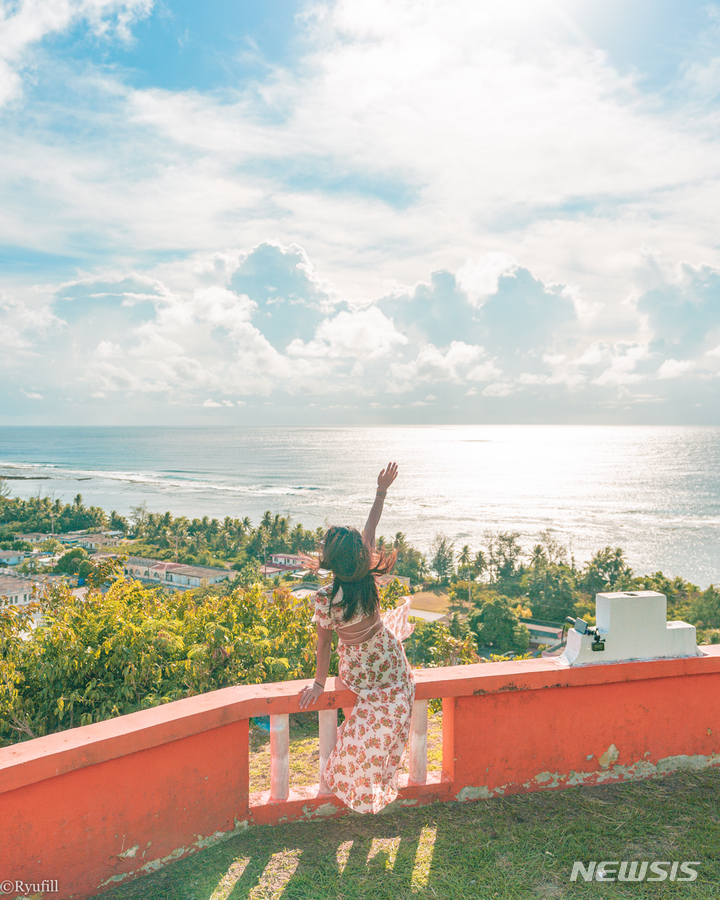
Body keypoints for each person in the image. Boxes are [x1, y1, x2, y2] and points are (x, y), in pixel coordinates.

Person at [298, 461, 416, 814]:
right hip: (388, 656)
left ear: (332, 561)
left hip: (360, 667)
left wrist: (319, 684)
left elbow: (323, 645)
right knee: (391, 703)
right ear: (359, 556)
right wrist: (381, 490)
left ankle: (354, 781)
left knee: (360, 723)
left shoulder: (324, 597)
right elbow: (372, 524)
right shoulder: (367, 575)